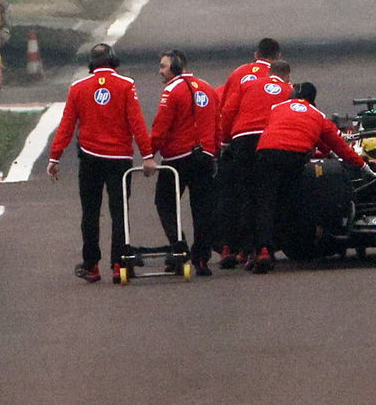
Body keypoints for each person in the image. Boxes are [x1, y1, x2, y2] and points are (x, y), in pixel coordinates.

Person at [47, 44, 156, 284]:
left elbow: (66, 125)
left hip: (90, 158)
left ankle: (91, 265)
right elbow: (136, 122)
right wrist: (147, 155)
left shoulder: (78, 87)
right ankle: (119, 264)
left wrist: (55, 157)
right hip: (119, 159)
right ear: (114, 61)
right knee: (119, 213)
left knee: (90, 214)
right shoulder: (126, 85)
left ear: (91, 64)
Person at [250, 80, 365, 273]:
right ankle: (298, 240)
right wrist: (361, 164)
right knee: (292, 200)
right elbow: (338, 147)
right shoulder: (318, 115)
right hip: (294, 157)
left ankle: (262, 250)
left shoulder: (276, 108)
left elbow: (274, 130)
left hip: (267, 152)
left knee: (264, 202)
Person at [216, 58, 294, 268]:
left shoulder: (247, 84)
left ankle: (242, 249)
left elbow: (228, 113)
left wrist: (224, 142)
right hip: (270, 141)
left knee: (245, 196)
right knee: (266, 197)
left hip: (243, 140)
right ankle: (264, 250)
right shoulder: (289, 89)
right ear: (287, 75)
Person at [151, 51, 219, 276]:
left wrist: (148, 154)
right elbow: (217, 125)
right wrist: (214, 152)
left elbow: (161, 127)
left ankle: (179, 249)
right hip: (205, 158)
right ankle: (201, 259)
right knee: (203, 210)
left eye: (163, 67)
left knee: (164, 202)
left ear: (176, 67)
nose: (161, 71)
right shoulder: (208, 88)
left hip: (177, 160)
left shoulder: (171, 90)